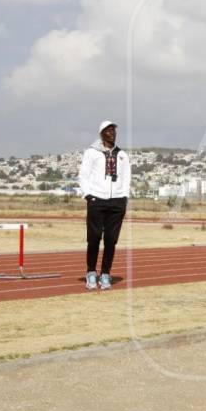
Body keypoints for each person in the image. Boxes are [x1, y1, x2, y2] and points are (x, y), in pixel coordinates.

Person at [79, 120, 131, 290]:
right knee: (94, 238)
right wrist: (89, 196)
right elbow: (83, 175)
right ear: (101, 133)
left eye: (114, 130)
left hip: (117, 201)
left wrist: (124, 197)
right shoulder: (91, 153)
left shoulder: (122, 155)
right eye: (108, 130)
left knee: (111, 240)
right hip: (97, 199)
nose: (112, 133)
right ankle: (91, 273)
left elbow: (126, 178)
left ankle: (106, 274)